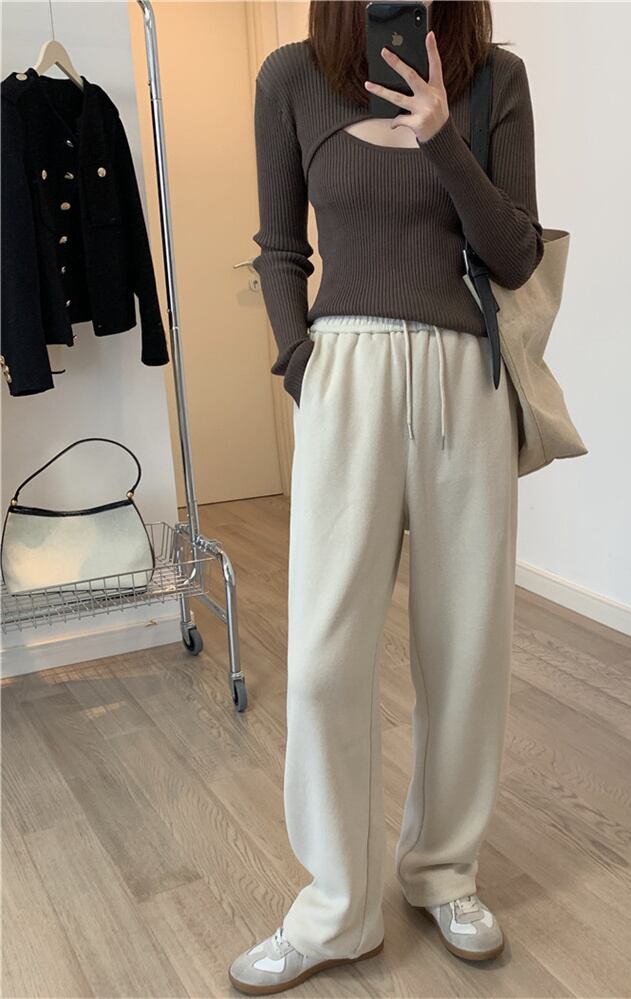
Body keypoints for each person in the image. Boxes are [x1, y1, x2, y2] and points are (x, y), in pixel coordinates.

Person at [229, 1, 544, 993]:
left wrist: (443, 136)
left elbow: (517, 253)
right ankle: (337, 908)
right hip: (346, 376)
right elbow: (280, 246)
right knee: (325, 657)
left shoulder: (496, 78)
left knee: (466, 649)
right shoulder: (291, 77)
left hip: (465, 380)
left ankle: (443, 871)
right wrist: (302, 363)